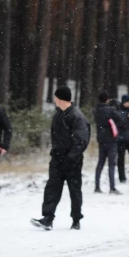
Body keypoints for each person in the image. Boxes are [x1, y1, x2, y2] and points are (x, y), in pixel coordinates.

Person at [31, 86, 90, 231]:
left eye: (56, 97)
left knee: (74, 190)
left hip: (72, 161)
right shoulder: (58, 115)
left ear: (60, 98)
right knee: (52, 187)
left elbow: (81, 141)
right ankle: (47, 218)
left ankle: (76, 220)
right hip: (57, 158)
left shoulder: (77, 116)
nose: (54, 100)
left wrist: (71, 158)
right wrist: (56, 154)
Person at [94, 91, 124, 194]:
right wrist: (117, 108)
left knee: (100, 163)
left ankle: (97, 186)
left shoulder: (96, 110)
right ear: (107, 99)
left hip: (101, 139)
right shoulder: (110, 110)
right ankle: (112, 187)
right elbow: (120, 120)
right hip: (111, 139)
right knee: (111, 164)